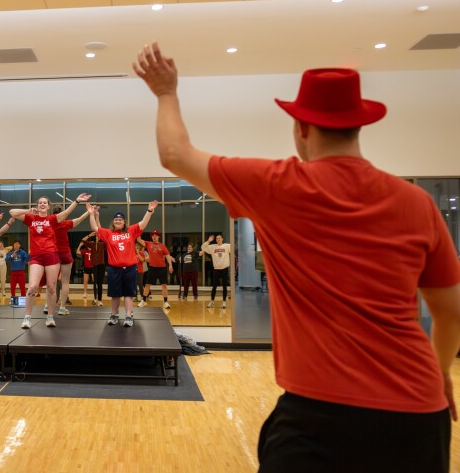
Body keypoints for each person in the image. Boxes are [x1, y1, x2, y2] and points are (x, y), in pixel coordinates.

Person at [134, 41, 460, 472]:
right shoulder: (416, 202)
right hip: (419, 411)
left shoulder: (277, 185)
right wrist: (438, 373)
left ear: (300, 128)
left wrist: (166, 92)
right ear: (358, 127)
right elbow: (450, 311)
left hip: (320, 414)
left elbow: (175, 154)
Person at [10, 193, 90, 328]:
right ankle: (27, 318)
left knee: (52, 288)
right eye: (40, 202)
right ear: (37, 205)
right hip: (36, 256)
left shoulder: (52, 219)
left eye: (44, 203)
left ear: (48, 206)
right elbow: (12, 212)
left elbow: (66, 213)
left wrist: (77, 201)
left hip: (51, 255)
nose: (42, 204)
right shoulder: (31, 218)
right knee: (32, 287)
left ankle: (50, 317)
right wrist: (28, 210)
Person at [86, 202, 158, 327]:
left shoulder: (131, 231)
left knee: (129, 293)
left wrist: (149, 211)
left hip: (130, 268)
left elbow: (143, 223)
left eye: (120, 219)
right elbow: (95, 228)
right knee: (115, 294)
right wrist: (91, 214)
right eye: (116, 219)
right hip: (114, 269)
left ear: (124, 221)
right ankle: (114, 315)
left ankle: (129, 316)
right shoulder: (109, 234)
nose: (118, 221)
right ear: (113, 222)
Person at [47, 204, 90, 315]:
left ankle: (48, 306)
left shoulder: (49, 224)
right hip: (65, 253)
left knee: (51, 282)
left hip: (53, 254)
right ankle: (62, 307)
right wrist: (89, 211)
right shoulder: (65, 223)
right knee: (65, 282)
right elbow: (79, 219)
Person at [142, 230, 174, 310]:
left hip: (162, 268)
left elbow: (167, 255)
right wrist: (138, 231)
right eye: (153, 236)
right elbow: (139, 240)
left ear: (158, 237)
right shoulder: (148, 244)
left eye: (156, 236)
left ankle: (165, 302)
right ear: (151, 237)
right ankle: (143, 300)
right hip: (152, 268)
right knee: (147, 285)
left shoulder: (162, 246)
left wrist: (170, 265)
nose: (154, 237)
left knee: (164, 285)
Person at [201, 234, 231, 308]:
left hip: (224, 269)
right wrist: (208, 241)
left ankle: (224, 302)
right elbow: (203, 247)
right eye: (217, 238)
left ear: (222, 239)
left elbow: (235, 247)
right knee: (214, 286)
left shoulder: (227, 246)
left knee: (224, 286)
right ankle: (212, 302)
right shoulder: (213, 247)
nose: (218, 239)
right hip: (216, 270)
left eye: (219, 238)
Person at [81, 229, 106, 306]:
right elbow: (82, 240)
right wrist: (89, 235)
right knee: (95, 282)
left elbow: (108, 240)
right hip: (94, 265)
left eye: (98, 237)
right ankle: (95, 298)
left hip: (101, 265)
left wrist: (101, 234)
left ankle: (100, 300)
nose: (96, 237)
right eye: (96, 236)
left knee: (100, 283)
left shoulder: (102, 244)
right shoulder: (92, 244)